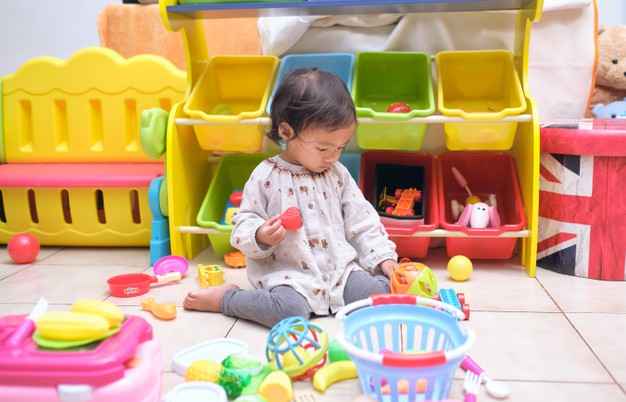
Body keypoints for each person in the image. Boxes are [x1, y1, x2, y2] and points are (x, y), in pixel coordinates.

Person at [184, 68, 398, 327]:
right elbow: (243, 224)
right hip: (289, 278)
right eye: (323, 148)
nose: (333, 157)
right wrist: (260, 235)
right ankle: (227, 299)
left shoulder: (338, 174)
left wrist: (384, 259)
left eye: (340, 147)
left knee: (381, 295)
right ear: (286, 132)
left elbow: (362, 221)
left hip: (340, 273)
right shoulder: (265, 176)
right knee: (287, 312)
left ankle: (385, 283)